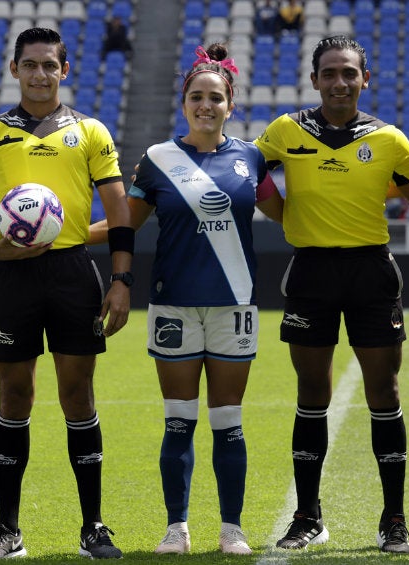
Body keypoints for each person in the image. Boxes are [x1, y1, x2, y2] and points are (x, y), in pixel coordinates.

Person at [0, 27, 133, 561]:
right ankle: (7, 530)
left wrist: (121, 281)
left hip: (74, 272)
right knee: (14, 396)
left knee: (78, 396)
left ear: (64, 71)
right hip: (12, 278)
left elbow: (119, 214)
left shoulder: (91, 132)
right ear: (15, 70)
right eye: (30, 64)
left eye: (50, 65)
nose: (40, 74)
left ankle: (93, 527)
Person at [253, 35, 409, 554]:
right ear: (315, 80)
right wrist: (288, 216)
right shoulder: (287, 130)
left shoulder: (390, 140)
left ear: (364, 79)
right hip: (311, 272)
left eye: (349, 73)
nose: (339, 82)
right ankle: (308, 516)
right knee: (311, 395)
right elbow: (245, 171)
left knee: (385, 393)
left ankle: (393, 518)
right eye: (329, 73)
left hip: (371, 273)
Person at [115, 44, 285, 557]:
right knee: (179, 420)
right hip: (174, 307)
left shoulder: (251, 157)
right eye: (196, 97)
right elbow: (124, 225)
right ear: (183, 103)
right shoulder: (158, 160)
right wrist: (53, 233)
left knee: (228, 422)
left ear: (230, 104)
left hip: (234, 307)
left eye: (215, 97)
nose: (205, 105)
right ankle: (177, 528)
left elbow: (289, 216)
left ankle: (232, 528)